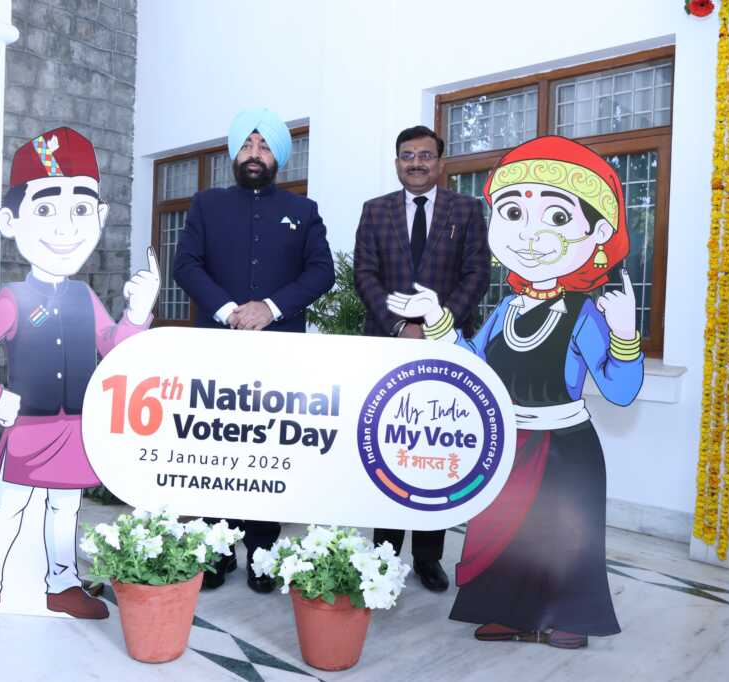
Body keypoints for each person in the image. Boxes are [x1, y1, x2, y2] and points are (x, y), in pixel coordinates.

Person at [386, 135, 644, 648]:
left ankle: (567, 619)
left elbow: (619, 391)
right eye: (512, 214)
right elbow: (475, 364)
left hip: (565, 449)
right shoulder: (506, 310)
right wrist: (437, 318)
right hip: (508, 442)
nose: (529, 235)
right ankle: (509, 613)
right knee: (506, 533)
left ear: (597, 234)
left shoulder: (585, 312)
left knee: (563, 535)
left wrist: (624, 333)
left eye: (556, 217)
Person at [0, 127, 160, 618]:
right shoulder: (13, 299)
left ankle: (63, 583)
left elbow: (115, 350)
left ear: (99, 217)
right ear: (11, 220)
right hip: (29, 427)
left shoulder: (84, 297)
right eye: (45, 211)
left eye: (80, 209)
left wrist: (137, 312)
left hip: (74, 426)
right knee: (9, 503)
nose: (64, 228)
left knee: (66, 508)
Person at [173, 107, 334, 592]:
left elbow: (321, 271)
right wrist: (228, 310)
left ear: (278, 157)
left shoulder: (304, 211)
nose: (254, 153)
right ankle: (217, 551)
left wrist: (270, 308)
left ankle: (263, 553)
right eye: (247, 144)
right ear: (234, 153)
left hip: (278, 355)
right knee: (216, 450)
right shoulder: (207, 204)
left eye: (264, 146)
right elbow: (186, 264)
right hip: (216, 351)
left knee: (267, 450)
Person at [353, 125, 489, 591]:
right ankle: (385, 553)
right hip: (387, 346)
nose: (416, 163)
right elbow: (365, 274)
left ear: (440, 163)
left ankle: (429, 557)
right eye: (407, 155)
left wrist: (436, 325)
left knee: (436, 449)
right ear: (397, 162)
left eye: (425, 155)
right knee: (388, 446)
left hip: (445, 347)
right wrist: (401, 327)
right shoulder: (375, 211)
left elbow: (477, 274)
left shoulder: (466, 210)